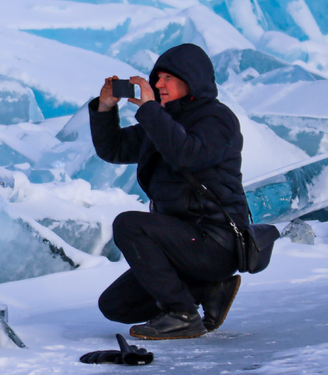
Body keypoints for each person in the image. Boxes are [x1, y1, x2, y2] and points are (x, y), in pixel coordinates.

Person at [89, 43, 248, 340]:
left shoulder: (217, 118)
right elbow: (114, 149)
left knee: (129, 224)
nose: (158, 84)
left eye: (168, 78)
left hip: (216, 240)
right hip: (183, 242)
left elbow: (188, 154)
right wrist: (105, 107)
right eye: (156, 77)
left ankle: (182, 314)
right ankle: (208, 288)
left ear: (192, 79)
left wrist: (150, 111)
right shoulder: (165, 121)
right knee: (115, 305)